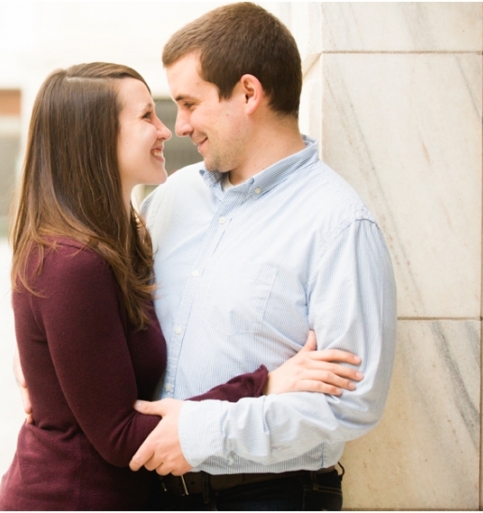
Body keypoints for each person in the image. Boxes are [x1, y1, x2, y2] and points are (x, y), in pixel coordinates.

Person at [0, 62, 364, 511]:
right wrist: (264, 384)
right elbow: (121, 437)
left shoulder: (125, 236)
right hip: (70, 497)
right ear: (95, 137)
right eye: (147, 116)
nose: (167, 129)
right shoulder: (75, 263)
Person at [125, 3, 397, 510]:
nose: (178, 126)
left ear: (248, 92)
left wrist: (203, 434)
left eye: (189, 103)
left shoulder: (338, 225)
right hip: (149, 492)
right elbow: (103, 304)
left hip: (270, 496)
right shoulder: (169, 199)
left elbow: (353, 404)